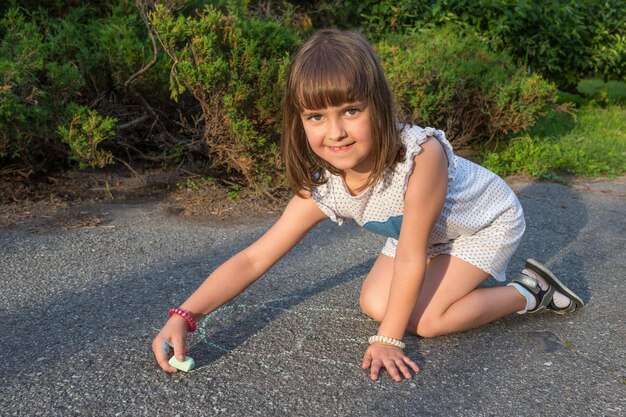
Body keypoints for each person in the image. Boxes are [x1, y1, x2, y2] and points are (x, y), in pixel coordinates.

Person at [152, 29, 584, 381]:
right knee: (376, 304)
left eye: (351, 110)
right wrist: (186, 316)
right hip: (425, 233)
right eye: (316, 117)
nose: (335, 131)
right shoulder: (324, 187)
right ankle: (473, 291)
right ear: (299, 121)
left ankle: (529, 293)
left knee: (426, 322)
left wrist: (389, 340)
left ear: (377, 106)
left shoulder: (420, 156)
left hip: (482, 225)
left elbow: (413, 254)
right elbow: (253, 258)